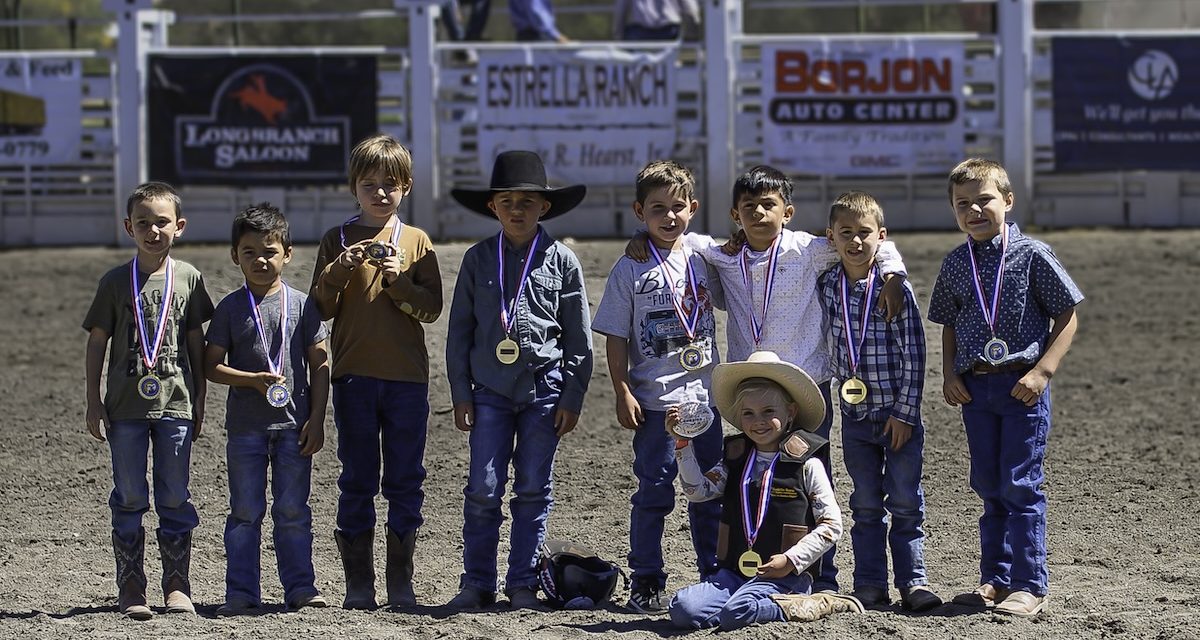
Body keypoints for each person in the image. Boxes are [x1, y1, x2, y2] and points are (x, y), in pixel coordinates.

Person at [628, 164, 908, 593]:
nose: (759, 213)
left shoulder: (811, 249)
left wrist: (893, 274)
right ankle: (748, 564)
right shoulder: (720, 254)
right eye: (748, 207)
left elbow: (867, 240)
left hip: (807, 387)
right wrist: (641, 240)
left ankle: (821, 577)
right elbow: (676, 237)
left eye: (768, 205)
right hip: (752, 391)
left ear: (788, 211)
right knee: (752, 479)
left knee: (812, 480)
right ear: (735, 215)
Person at [928, 158, 1083, 618]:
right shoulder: (956, 262)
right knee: (989, 484)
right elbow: (949, 323)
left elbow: (1067, 315)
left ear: (1008, 201)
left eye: (984, 200)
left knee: (1020, 484)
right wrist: (950, 374)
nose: (974, 210)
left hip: (1022, 390)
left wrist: (1042, 372)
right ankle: (994, 579)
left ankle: (1030, 584)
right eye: (963, 204)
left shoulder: (1033, 253)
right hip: (976, 391)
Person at [445, 150, 593, 610]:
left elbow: (579, 338)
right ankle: (477, 582)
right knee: (483, 488)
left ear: (543, 207)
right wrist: (460, 393)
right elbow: (459, 333)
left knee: (532, 488)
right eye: (506, 200)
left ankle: (522, 583)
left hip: (545, 392)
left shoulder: (563, 260)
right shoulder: (476, 260)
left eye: (527, 201)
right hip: (488, 391)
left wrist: (573, 394)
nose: (516, 209)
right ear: (492, 206)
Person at [309, 134, 444, 609]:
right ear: (354, 188)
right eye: (370, 184)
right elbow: (319, 309)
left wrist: (396, 281)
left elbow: (431, 310)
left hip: (407, 380)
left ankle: (400, 582)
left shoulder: (417, 241)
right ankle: (359, 584)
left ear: (405, 187)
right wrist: (340, 270)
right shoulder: (336, 239)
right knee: (357, 479)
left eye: (390, 184)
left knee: (406, 479)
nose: (380, 193)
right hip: (353, 378)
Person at [591, 160, 724, 613]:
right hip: (654, 405)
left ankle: (715, 574)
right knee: (654, 492)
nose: (669, 217)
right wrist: (622, 390)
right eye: (657, 209)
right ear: (639, 211)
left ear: (694, 208)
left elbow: (749, 256)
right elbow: (615, 335)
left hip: (706, 402)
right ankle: (646, 579)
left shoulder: (706, 256)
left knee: (710, 491)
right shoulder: (630, 267)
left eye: (678, 207)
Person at [83, 181, 214, 620]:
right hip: (124, 408)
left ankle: (177, 584)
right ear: (128, 227)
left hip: (175, 405)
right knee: (130, 493)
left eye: (162, 222)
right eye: (143, 223)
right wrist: (92, 398)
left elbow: (195, 339)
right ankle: (131, 586)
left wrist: (200, 397)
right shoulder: (115, 282)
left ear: (179, 226)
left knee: (175, 494)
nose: (153, 230)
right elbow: (98, 341)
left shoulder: (191, 279)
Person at [666, 351, 863, 630]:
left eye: (769, 412)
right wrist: (682, 446)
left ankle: (817, 601)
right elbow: (698, 492)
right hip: (734, 574)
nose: (758, 421)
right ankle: (741, 604)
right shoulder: (734, 459)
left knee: (738, 612)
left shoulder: (808, 464)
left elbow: (832, 525)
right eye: (748, 413)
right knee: (682, 609)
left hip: (786, 576)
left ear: (790, 412)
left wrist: (791, 560)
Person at [816, 191, 941, 612]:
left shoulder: (894, 289)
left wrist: (906, 413)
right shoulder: (826, 285)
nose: (854, 242)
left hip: (897, 415)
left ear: (881, 237)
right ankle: (869, 583)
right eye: (845, 233)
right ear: (830, 237)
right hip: (854, 417)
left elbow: (916, 354)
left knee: (905, 502)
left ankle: (914, 582)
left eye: (864, 233)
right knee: (865, 504)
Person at [204, 203, 330, 615]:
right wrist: (251, 380)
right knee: (245, 512)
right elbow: (211, 366)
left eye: (270, 251)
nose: (260, 260)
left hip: (295, 427)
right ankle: (241, 593)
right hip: (246, 430)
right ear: (234, 256)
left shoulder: (302, 306)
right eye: (249, 252)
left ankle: (300, 589)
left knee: (293, 510)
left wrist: (317, 418)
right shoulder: (229, 308)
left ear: (287, 254)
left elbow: (320, 364)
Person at [613, 0, 700, 41]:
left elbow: (620, 9)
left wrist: (618, 36)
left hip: (638, 33)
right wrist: (692, 33)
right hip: (669, 32)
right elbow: (690, 8)